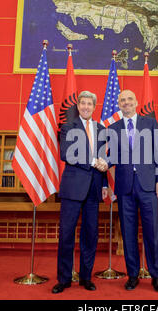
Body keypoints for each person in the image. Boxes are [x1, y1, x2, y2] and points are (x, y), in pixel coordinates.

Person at [106, 89, 158, 292]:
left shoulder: (150, 123)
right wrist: (98, 162)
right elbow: (111, 156)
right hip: (124, 187)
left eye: (129, 99)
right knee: (128, 233)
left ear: (136, 102)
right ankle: (132, 275)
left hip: (148, 185)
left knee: (152, 233)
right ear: (119, 104)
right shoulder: (113, 128)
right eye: (122, 100)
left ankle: (156, 275)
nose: (126, 102)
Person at [52, 91, 108, 294]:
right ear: (78, 106)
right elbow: (67, 154)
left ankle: (86, 277)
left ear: (94, 107)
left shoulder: (101, 129)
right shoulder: (68, 127)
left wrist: (103, 184)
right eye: (82, 103)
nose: (85, 107)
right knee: (66, 234)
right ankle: (64, 278)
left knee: (90, 235)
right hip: (73, 188)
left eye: (89, 104)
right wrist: (93, 162)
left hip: (94, 189)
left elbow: (102, 158)